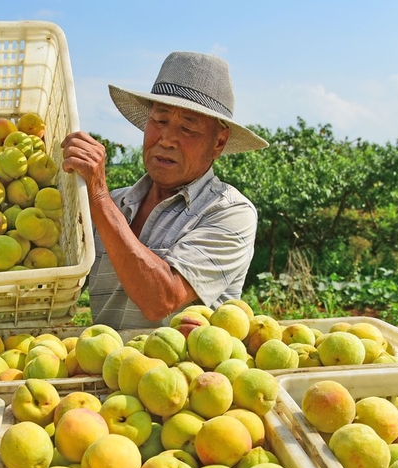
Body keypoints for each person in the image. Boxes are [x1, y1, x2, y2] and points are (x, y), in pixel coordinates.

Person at [61, 51, 268, 329]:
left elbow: (161, 299)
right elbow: (59, 288)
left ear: (218, 143)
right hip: (106, 369)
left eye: (188, 128)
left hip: (186, 373)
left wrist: (97, 195)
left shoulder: (229, 212)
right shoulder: (116, 204)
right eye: (159, 121)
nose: (167, 139)